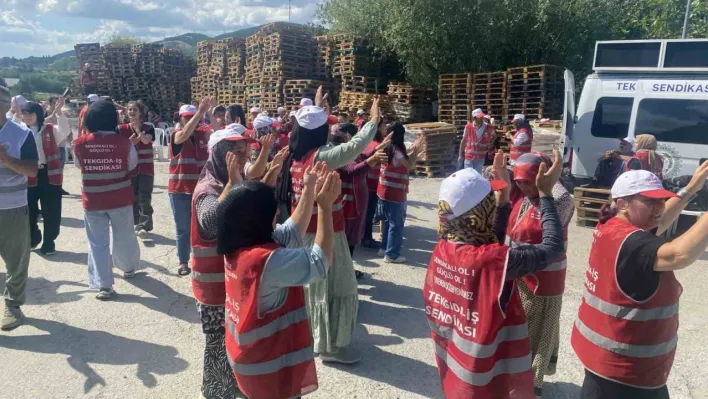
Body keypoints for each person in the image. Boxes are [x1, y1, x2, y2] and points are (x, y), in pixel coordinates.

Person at [424, 149, 565, 398]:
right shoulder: (493, 261)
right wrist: (545, 195)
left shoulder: (444, 247)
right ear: (481, 212)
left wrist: (503, 198)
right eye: (490, 200)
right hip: (486, 379)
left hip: (456, 368)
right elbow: (552, 247)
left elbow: (490, 242)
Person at [571, 164, 708, 399]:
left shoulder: (612, 226)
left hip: (604, 363)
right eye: (650, 201)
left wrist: (691, 189)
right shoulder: (634, 244)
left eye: (661, 200)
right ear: (623, 203)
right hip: (627, 375)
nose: (659, 208)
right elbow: (679, 254)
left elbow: (660, 221)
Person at [277, 87, 380, 364]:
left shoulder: (294, 153)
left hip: (305, 231)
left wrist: (319, 105)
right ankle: (329, 347)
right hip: (327, 231)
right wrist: (372, 122)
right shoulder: (321, 155)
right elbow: (354, 147)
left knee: (313, 287)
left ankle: (314, 339)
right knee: (336, 286)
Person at [218, 164, 339, 399]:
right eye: (272, 211)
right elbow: (320, 262)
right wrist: (325, 208)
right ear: (258, 219)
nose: (277, 215)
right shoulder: (266, 262)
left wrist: (309, 188)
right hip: (267, 369)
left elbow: (291, 232)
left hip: (245, 359)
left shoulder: (238, 246)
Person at [190, 121, 254, 399]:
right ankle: (216, 391)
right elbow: (210, 223)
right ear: (219, 154)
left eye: (243, 150)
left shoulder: (229, 180)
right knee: (217, 342)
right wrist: (232, 184)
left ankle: (232, 385)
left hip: (228, 280)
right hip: (213, 285)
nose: (242, 156)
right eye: (235, 152)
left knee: (232, 337)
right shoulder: (208, 187)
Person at [506, 152, 575, 397]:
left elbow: (557, 212)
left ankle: (533, 384)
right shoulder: (523, 194)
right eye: (518, 181)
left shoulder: (559, 200)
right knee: (521, 327)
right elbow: (496, 190)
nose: (522, 186)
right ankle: (518, 375)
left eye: (527, 181)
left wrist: (548, 183)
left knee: (540, 332)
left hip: (545, 280)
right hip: (521, 275)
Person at [73, 100, 140, 300]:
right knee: (125, 235)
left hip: (93, 202)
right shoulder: (124, 142)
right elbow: (132, 166)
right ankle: (128, 268)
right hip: (120, 199)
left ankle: (104, 285)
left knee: (97, 243)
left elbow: (79, 166)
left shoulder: (80, 144)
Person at [0, 86, 39, 331]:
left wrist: (6, 160)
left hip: (11, 208)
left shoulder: (21, 134)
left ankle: (12, 305)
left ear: (5, 106)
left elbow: (32, 170)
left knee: (16, 262)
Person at [332, 123, 386, 277]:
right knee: (345, 240)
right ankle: (344, 274)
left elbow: (360, 158)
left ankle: (346, 270)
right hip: (347, 205)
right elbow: (352, 170)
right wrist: (372, 159)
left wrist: (377, 149)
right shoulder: (337, 154)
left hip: (355, 204)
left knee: (351, 239)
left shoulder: (349, 152)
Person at [21, 100, 71, 256]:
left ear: (38, 114)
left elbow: (65, 130)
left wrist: (59, 113)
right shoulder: (20, 130)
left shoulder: (50, 129)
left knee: (51, 211)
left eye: (30, 113)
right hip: (28, 175)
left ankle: (49, 242)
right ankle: (33, 238)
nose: (27, 116)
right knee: (29, 209)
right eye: (25, 113)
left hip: (49, 175)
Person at [169, 99, 212, 276]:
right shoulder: (177, 134)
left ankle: (201, 260)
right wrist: (199, 113)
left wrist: (210, 112)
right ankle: (183, 261)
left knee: (203, 227)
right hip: (180, 190)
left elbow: (217, 131)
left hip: (200, 190)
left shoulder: (204, 135)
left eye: (192, 116)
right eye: (186, 117)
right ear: (181, 119)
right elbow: (185, 134)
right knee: (183, 228)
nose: (189, 120)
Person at [118, 100, 155, 239]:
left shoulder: (148, 127)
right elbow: (119, 147)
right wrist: (129, 144)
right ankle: (135, 223)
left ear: (141, 113)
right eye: (129, 110)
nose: (132, 112)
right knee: (132, 196)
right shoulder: (121, 129)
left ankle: (144, 225)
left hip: (146, 169)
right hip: (129, 170)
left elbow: (146, 141)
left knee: (145, 197)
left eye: (134, 110)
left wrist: (139, 131)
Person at [377, 122, 410, 263]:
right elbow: (410, 165)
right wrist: (415, 152)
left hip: (383, 191)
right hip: (394, 193)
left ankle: (384, 248)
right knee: (396, 224)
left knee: (387, 221)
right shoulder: (397, 151)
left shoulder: (385, 148)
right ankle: (392, 254)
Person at [361, 119, 388, 250]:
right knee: (369, 213)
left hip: (365, 182)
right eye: (383, 126)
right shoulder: (378, 145)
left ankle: (363, 236)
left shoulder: (368, 143)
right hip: (372, 184)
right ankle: (367, 239)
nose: (385, 128)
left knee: (365, 212)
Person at [458, 108, 495, 173]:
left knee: (477, 176)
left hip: (480, 157)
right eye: (479, 117)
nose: (481, 118)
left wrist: (490, 142)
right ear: (474, 118)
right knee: (468, 176)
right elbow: (463, 141)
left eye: (482, 116)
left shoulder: (488, 127)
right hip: (469, 156)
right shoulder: (468, 127)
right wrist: (460, 155)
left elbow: (494, 136)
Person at [245, 113, 278, 180]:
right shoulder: (255, 146)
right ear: (264, 130)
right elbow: (257, 171)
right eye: (272, 129)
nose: (275, 131)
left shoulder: (272, 144)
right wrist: (276, 163)